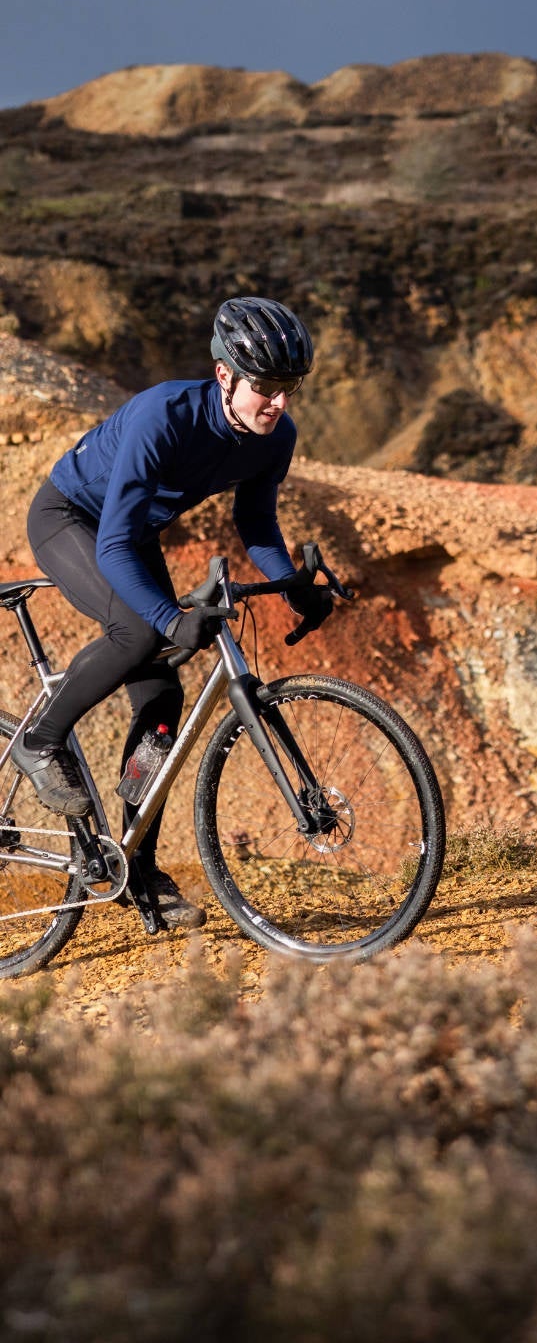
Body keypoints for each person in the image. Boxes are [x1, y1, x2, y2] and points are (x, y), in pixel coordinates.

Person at [9, 296, 332, 931]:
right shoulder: (164, 415)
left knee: (161, 694)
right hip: (72, 520)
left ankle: (139, 872)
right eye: (266, 388)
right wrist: (166, 615)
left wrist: (290, 581)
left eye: (290, 389)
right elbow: (112, 544)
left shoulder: (274, 437)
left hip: (130, 534)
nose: (279, 404)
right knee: (136, 631)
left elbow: (256, 522)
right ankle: (39, 740)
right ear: (224, 376)